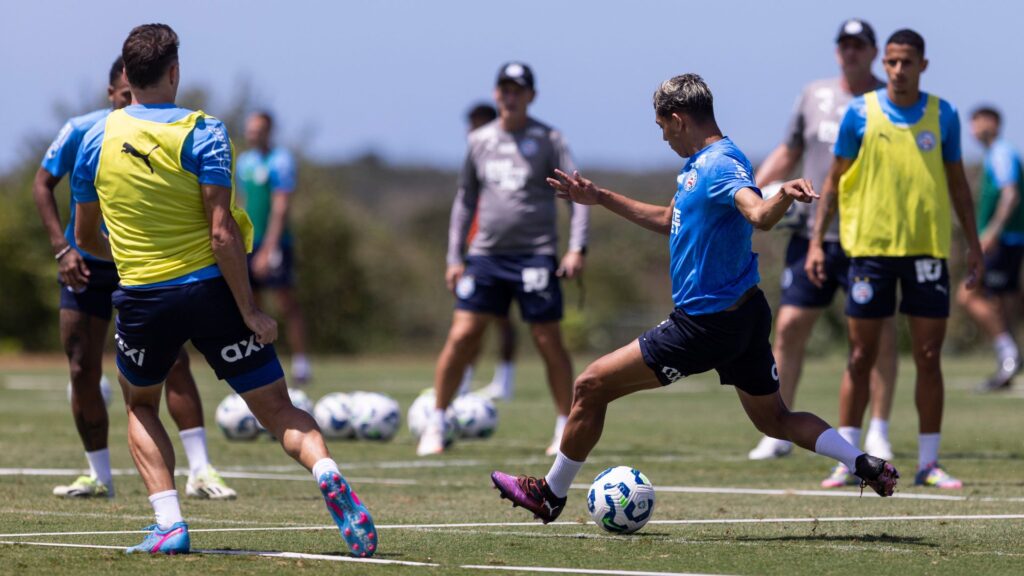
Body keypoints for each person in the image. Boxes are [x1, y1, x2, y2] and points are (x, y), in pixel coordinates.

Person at [490, 73, 898, 523]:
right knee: (776, 420)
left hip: (704, 324)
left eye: (663, 127)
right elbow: (670, 219)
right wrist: (600, 197)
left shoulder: (720, 164)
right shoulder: (701, 164)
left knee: (590, 385)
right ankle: (862, 463)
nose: (663, 137)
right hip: (744, 316)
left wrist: (781, 193)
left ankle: (551, 493)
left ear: (678, 119)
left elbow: (759, 214)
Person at [72, 24, 376, 555]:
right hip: (212, 293)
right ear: (174, 72)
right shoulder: (205, 130)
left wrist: (127, 258)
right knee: (279, 410)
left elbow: (83, 236)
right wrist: (251, 310)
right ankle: (325, 469)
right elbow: (221, 232)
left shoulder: (94, 138)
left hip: (144, 298)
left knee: (141, 406)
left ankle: (169, 524)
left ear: (127, 77)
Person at [32, 56, 236, 501]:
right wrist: (63, 248)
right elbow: (41, 184)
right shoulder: (83, 130)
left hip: (143, 266)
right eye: (125, 97)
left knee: (174, 361)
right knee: (83, 365)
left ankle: (202, 470)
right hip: (85, 263)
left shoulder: (162, 131)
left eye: (136, 96)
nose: (132, 104)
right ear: (112, 95)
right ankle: (98, 475)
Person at [808, 29, 984, 489]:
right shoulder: (859, 113)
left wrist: (974, 244)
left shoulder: (942, 114)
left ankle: (929, 462)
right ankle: (848, 461)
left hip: (926, 250)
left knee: (928, 355)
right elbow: (832, 181)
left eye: (907, 62)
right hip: (869, 251)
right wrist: (814, 242)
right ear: (883, 65)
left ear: (923, 65)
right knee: (861, 355)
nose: (898, 70)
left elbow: (958, 184)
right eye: (891, 62)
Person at [418, 62, 589, 456]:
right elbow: (465, 199)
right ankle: (437, 421)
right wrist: (453, 256)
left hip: (535, 255)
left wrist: (577, 247)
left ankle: (565, 427)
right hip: (485, 258)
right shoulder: (479, 140)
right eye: (504, 89)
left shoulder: (549, 138)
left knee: (548, 341)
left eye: (518, 89)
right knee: (462, 336)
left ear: (531, 95)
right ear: (496, 93)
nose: (510, 96)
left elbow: (578, 195)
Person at [750, 18, 898, 465]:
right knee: (791, 325)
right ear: (837, 51)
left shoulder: (887, 102)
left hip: (867, 236)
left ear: (873, 52)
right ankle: (777, 429)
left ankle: (879, 431)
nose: (850, 52)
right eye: (844, 45)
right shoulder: (814, 95)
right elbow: (788, 150)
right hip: (814, 234)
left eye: (859, 45)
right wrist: (751, 192)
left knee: (878, 337)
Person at [237, 111, 312, 385]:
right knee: (252, 303)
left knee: (286, 302)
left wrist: (269, 248)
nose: (252, 133)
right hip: (249, 243)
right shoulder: (244, 162)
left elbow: (281, 206)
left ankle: (302, 362)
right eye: (249, 128)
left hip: (276, 242)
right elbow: (243, 201)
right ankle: (261, 360)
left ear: (268, 131)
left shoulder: (280, 161)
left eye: (257, 129)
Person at [959, 106, 1024, 392]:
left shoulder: (1001, 153)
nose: (973, 129)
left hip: (1004, 242)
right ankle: (1008, 365)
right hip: (1010, 242)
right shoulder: (995, 155)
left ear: (993, 123)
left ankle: (1009, 355)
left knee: (967, 295)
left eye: (977, 122)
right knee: (1003, 305)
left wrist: (991, 233)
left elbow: (1011, 195)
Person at [458, 102, 519, 401]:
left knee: (501, 320)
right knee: (473, 320)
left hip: (503, 250)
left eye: (477, 124)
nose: (471, 130)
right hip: (478, 248)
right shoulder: (476, 155)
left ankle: (504, 381)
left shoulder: (503, 157)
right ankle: (465, 380)